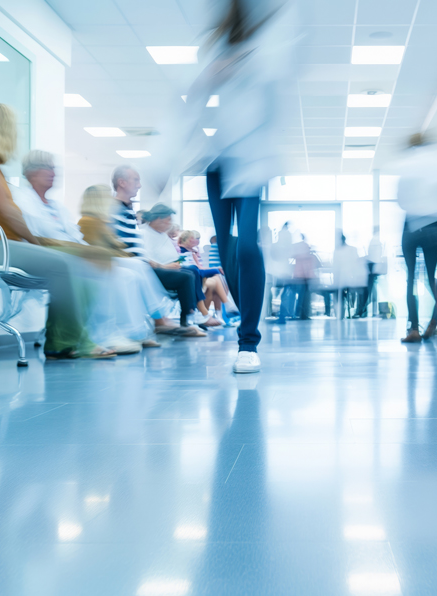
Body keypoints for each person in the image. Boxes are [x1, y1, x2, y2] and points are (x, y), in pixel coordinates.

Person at [148, 0, 297, 373]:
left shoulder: (267, 47)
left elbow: (281, 71)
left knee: (247, 245)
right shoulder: (214, 50)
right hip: (217, 164)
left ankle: (249, 342)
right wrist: (165, 161)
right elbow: (188, 104)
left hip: (251, 163)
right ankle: (243, 331)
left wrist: (243, 64)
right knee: (227, 248)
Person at [0, 104, 115, 360]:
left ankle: (64, 339)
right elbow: (8, 212)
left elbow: (9, 213)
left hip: (1, 246)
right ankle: (65, 342)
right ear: (3, 129)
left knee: (71, 263)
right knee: (61, 263)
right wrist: (36, 244)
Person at [13, 153, 166, 352]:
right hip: (51, 254)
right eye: (46, 168)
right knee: (118, 275)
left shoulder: (56, 206)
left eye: (54, 168)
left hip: (72, 251)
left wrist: (87, 250)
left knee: (133, 268)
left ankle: (135, 331)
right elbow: (34, 238)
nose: (53, 173)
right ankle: (107, 335)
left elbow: (76, 236)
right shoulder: (22, 201)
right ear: (29, 172)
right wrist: (85, 251)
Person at [109, 165, 204, 337]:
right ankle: (176, 319)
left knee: (191, 272)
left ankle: (184, 317)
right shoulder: (115, 209)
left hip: (145, 265)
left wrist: (176, 262)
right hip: (141, 266)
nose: (139, 185)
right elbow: (121, 246)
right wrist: (162, 266)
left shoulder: (128, 210)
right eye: (136, 180)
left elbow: (135, 246)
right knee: (186, 276)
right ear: (122, 183)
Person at [395, 133, 437, 343]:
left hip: (411, 225)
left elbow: (401, 200)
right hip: (433, 226)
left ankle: (413, 329)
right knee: (431, 278)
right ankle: (435, 322)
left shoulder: (408, 165)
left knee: (410, 279)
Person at [178, 229, 228, 327]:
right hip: (192, 276)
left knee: (213, 285)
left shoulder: (193, 251)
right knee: (217, 276)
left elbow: (198, 267)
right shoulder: (182, 251)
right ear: (187, 239)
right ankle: (223, 307)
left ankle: (210, 315)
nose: (198, 241)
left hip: (196, 275)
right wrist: (216, 269)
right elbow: (195, 268)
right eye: (195, 238)